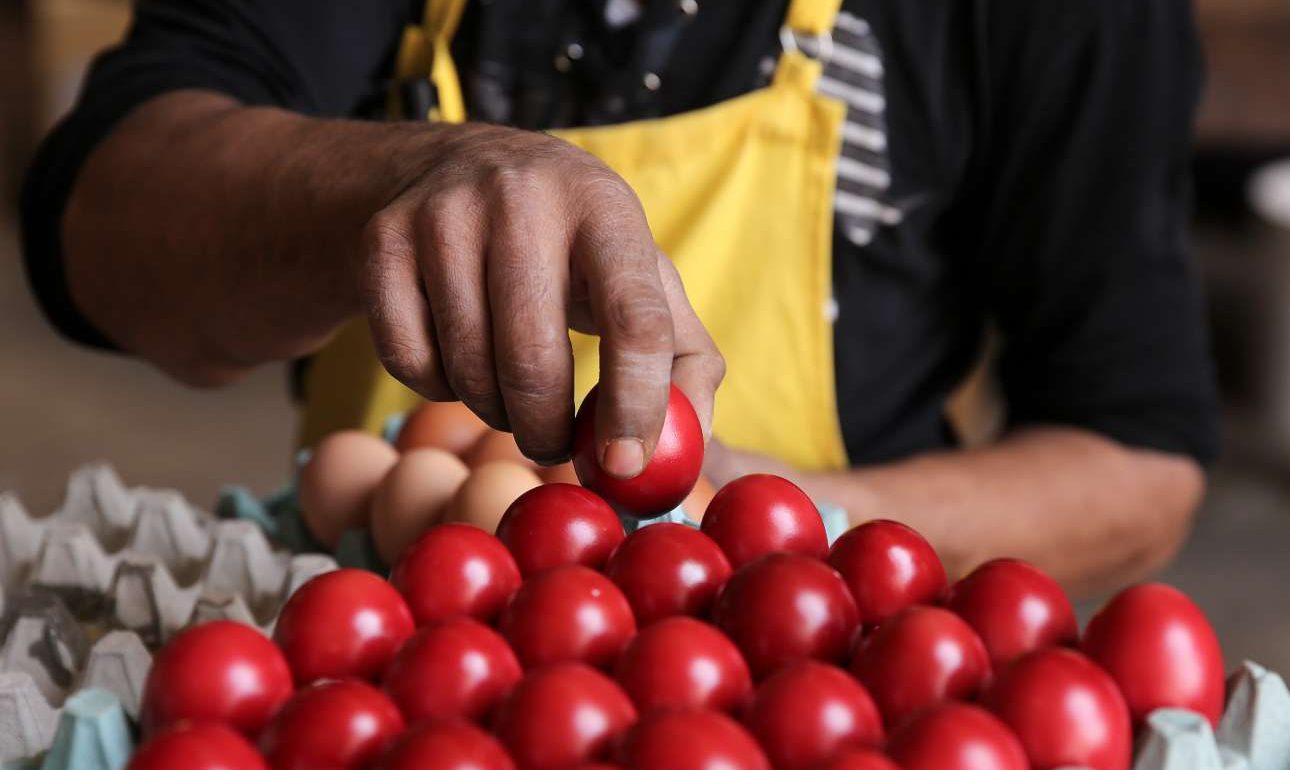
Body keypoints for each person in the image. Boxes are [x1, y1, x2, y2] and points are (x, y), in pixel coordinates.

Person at [21, 0, 1218, 593]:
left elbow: (1137, 455)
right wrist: (380, 188)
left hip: (801, 671)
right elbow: (102, 223)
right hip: (378, 653)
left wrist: (760, 512)